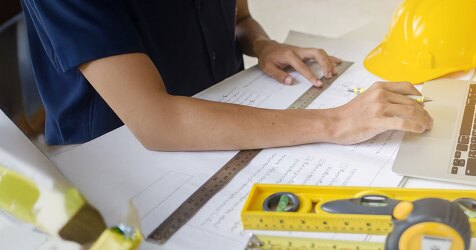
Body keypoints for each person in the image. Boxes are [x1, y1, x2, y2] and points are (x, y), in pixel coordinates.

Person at [21, 0, 432, 151]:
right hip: (116, 155)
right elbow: (158, 123)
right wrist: (339, 120)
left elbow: (239, 18)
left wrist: (261, 43)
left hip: (226, 111)